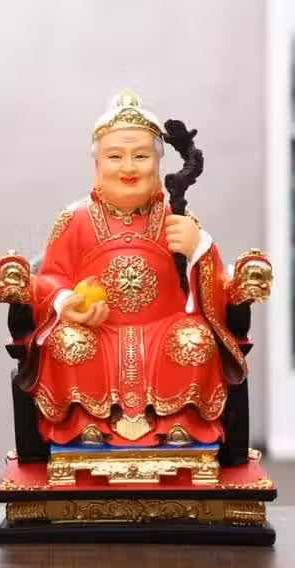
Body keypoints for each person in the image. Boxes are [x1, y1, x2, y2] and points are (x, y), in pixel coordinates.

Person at [25, 91, 251, 448]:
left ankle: (179, 419)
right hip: (99, 330)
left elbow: (215, 287)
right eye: (115, 156)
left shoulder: (177, 217)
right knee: (66, 342)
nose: (128, 168)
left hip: (164, 328)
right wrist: (66, 302)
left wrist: (199, 248)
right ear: (97, 164)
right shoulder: (75, 220)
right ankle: (85, 421)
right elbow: (49, 277)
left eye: (141, 156)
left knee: (196, 340)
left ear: (158, 163)